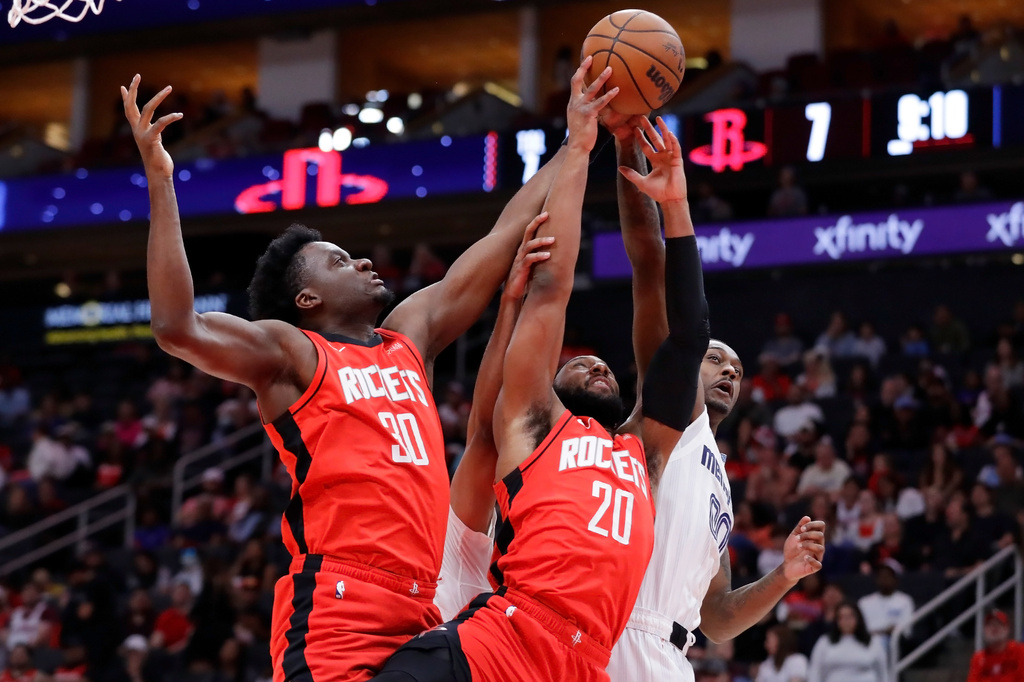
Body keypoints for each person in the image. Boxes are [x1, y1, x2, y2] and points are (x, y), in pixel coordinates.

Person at [122, 69, 567, 682]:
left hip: (420, 604)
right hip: (339, 606)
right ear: (306, 299)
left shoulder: (409, 337)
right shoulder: (293, 353)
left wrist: (578, 143)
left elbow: (506, 233)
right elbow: (178, 328)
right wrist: (161, 181)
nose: (360, 259)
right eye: (338, 261)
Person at [372, 58, 658, 682]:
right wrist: (579, 149)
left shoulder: (636, 452)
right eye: (576, 362)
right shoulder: (533, 432)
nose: (593, 360)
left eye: (600, 362)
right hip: (490, 638)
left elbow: (670, 330)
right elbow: (486, 424)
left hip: (579, 659)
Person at [596, 115, 825, 682]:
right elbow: (650, 265)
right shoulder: (670, 415)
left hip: (674, 657)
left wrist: (785, 575)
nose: (729, 371)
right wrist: (629, 148)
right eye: (716, 358)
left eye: (739, 369)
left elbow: (716, 620)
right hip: (616, 635)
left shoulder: (718, 474)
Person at [807, 602, 887, 682]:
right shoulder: (825, 642)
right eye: (842, 617)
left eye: (850, 617)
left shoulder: (872, 641)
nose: (846, 621)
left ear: (858, 618)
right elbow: (815, 672)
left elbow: (883, 673)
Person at [856, 561, 914, 650]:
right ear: (876, 579)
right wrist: (884, 631)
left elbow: (906, 631)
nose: (884, 579)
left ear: (895, 579)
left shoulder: (905, 600)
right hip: (867, 645)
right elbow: (860, 631)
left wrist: (881, 632)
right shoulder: (864, 602)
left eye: (888, 576)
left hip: (896, 645)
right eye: (881, 576)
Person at [967, 609, 1024, 682]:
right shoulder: (978, 658)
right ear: (984, 630)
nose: (994, 627)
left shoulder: (1020, 652)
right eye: (990, 624)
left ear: (1007, 629)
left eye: (999, 624)